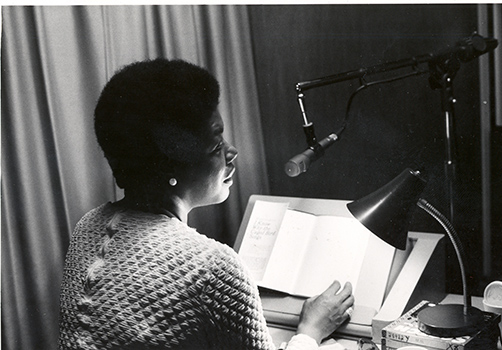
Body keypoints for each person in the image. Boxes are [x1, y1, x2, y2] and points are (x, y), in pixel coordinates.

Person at [58, 58, 354, 350]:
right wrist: (310, 332)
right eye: (215, 145)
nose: (231, 152)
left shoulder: (89, 227)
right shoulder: (212, 268)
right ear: (171, 163)